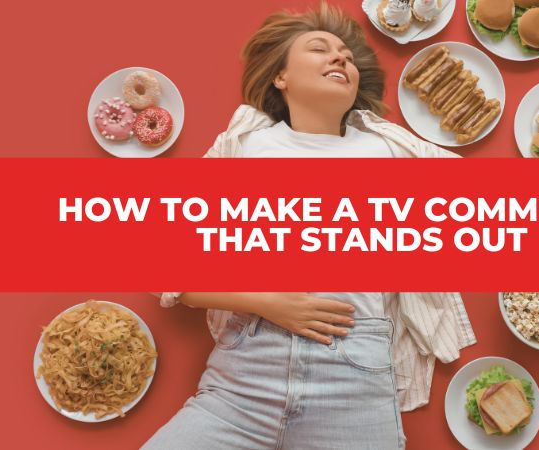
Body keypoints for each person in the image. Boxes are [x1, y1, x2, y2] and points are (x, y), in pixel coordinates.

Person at [142, 4, 475, 450]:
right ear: (281, 76)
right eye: (320, 49)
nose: (340, 58)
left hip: (354, 385)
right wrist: (266, 303)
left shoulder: (389, 150)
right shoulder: (246, 146)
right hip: (245, 380)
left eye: (348, 58)